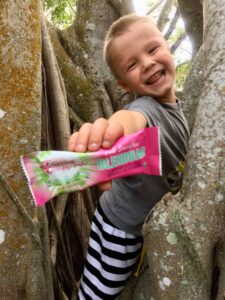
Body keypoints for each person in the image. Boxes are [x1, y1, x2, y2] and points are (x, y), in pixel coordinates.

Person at [68, 14, 190, 300]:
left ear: (168, 48)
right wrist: (111, 130)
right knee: (99, 293)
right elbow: (129, 120)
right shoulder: (145, 108)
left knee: (91, 277)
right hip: (122, 230)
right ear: (124, 85)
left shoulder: (178, 107)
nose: (147, 63)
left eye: (153, 49)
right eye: (132, 65)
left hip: (109, 211)